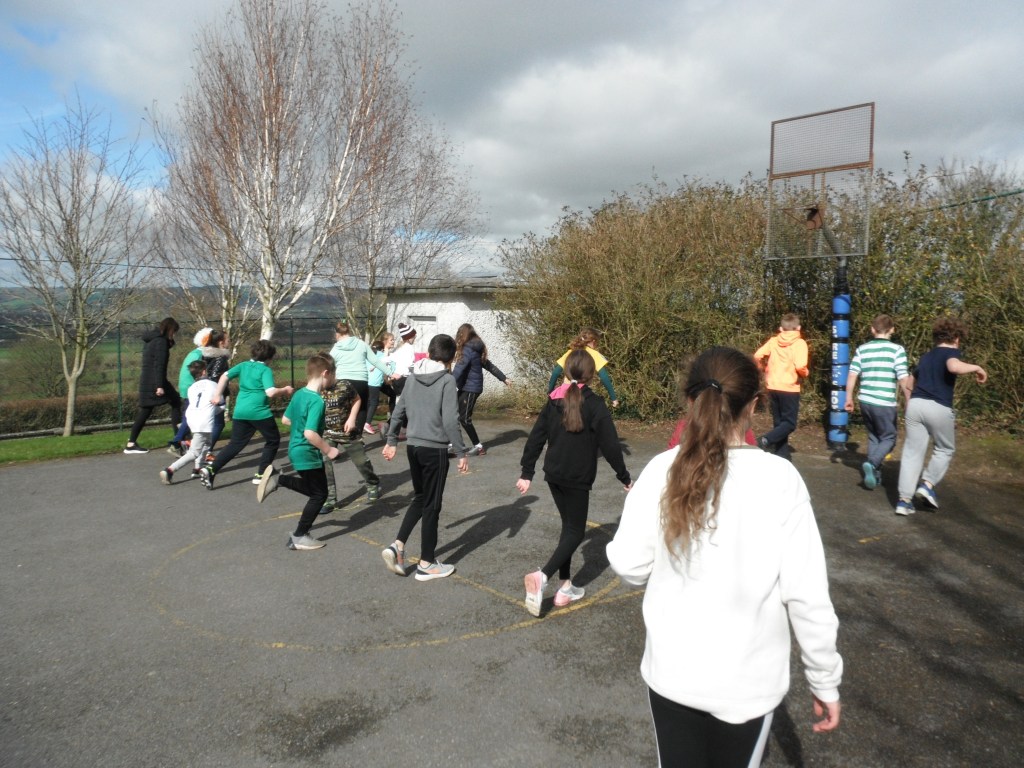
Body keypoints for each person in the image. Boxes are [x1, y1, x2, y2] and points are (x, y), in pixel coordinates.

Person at [607, 347, 843, 767]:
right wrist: (824, 679)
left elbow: (629, 564)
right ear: (754, 405)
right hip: (747, 685)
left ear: (689, 400)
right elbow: (807, 595)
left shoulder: (662, 469)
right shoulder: (781, 479)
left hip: (673, 675)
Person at [518, 349, 632, 617]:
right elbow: (611, 445)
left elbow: (536, 437)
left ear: (567, 371)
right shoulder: (594, 403)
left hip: (554, 475)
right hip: (577, 477)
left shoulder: (553, 399)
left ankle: (565, 586)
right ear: (592, 375)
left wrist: (527, 472)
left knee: (568, 528)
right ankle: (542, 576)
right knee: (576, 532)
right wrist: (624, 477)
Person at [380, 334, 468, 582]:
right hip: (434, 449)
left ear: (429, 352)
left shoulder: (412, 376)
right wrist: (461, 451)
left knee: (421, 498)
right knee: (432, 505)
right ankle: (427, 564)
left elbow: (399, 410)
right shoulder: (447, 380)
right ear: (451, 358)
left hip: (414, 447)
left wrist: (391, 440)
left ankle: (397, 545)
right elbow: (450, 419)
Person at [895, 317, 988, 516]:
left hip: (915, 406)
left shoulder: (926, 357)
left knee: (912, 453)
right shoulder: (951, 353)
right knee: (945, 448)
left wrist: (911, 403)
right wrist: (977, 368)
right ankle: (927, 484)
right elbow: (953, 367)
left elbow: (909, 384)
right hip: (938, 406)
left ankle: (904, 501)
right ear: (956, 338)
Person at [255, 353, 341, 551]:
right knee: (319, 495)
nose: (334, 379)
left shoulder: (300, 394)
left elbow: (286, 420)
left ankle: (279, 479)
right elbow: (310, 433)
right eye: (333, 375)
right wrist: (329, 449)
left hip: (295, 450)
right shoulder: (317, 401)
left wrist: (302, 425)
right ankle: (300, 535)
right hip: (307, 452)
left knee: (315, 491)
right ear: (325, 373)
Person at [201, 339, 294, 489]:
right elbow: (270, 392)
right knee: (273, 440)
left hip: (240, 411)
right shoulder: (265, 370)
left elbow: (224, 376)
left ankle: (211, 469)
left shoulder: (243, 365)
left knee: (235, 444)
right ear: (269, 357)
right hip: (259, 412)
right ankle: (261, 474)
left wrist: (217, 395)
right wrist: (286, 390)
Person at [844, 314, 912, 490]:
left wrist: (848, 397)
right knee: (889, 438)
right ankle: (872, 463)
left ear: (872, 329)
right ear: (892, 330)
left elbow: (852, 374)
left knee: (874, 436)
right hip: (884, 403)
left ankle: (875, 476)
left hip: (865, 401)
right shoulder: (897, 350)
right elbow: (903, 378)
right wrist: (909, 400)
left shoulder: (862, 349)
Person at [321, 374, 381, 511]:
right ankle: (330, 499)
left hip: (348, 433)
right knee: (324, 464)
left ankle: (373, 483)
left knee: (362, 462)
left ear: (327, 373)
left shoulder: (344, 385)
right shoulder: (316, 388)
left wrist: (352, 418)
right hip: (328, 434)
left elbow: (357, 399)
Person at [753, 312, 809, 455]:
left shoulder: (774, 341)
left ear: (781, 329)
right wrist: (805, 373)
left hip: (772, 386)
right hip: (789, 387)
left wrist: (762, 368)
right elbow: (800, 366)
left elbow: (757, 355)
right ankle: (765, 440)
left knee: (779, 424)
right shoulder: (800, 343)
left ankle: (782, 456)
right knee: (789, 424)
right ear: (799, 328)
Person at [452, 323, 512, 456]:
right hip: (467, 387)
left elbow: (459, 369)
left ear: (462, 335)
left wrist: (446, 383)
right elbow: (489, 365)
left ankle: (478, 447)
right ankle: (453, 444)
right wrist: (503, 378)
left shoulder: (468, 349)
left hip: (470, 388)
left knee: (464, 418)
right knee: (453, 414)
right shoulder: (475, 348)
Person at [125, 317, 182, 454]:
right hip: (156, 381)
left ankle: (131, 443)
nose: (174, 335)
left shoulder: (152, 340)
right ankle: (179, 440)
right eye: (174, 332)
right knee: (176, 402)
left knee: (146, 410)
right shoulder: (161, 342)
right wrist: (159, 386)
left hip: (148, 380)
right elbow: (159, 365)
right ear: (170, 329)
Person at [159, 359, 219, 484]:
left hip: (193, 419)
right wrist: (217, 409)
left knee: (207, 443)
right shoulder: (213, 385)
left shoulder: (191, 388)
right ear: (204, 372)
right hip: (204, 421)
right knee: (194, 452)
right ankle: (170, 470)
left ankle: (198, 468)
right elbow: (220, 403)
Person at [167, 327, 213, 456]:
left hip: (187, 387)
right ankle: (177, 442)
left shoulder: (194, 353)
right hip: (191, 387)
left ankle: (184, 438)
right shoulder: (200, 355)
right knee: (191, 416)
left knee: (189, 415)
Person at [547, 327, 619, 407]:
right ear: (594, 341)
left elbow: (556, 372)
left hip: (564, 393)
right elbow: (604, 377)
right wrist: (613, 398)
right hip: (581, 393)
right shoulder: (594, 354)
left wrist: (550, 391)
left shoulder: (570, 352)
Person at [200, 330, 232, 451]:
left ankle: (200, 447)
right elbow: (215, 376)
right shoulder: (220, 358)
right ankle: (206, 450)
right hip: (215, 393)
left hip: (203, 390)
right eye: (228, 340)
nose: (229, 342)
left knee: (208, 422)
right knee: (219, 424)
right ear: (221, 342)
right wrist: (218, 391)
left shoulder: (205, 356)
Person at [364, 333, 395, 435]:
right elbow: (391, 366)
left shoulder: (371, 354)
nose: (393, 342)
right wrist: (392, 374)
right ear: (384, 343)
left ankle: (366, 421)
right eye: (391, 340)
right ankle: (367, 423)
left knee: (391, 394)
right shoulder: (383, 355)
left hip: (374, 381)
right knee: (373, 401)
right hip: (375, 382)